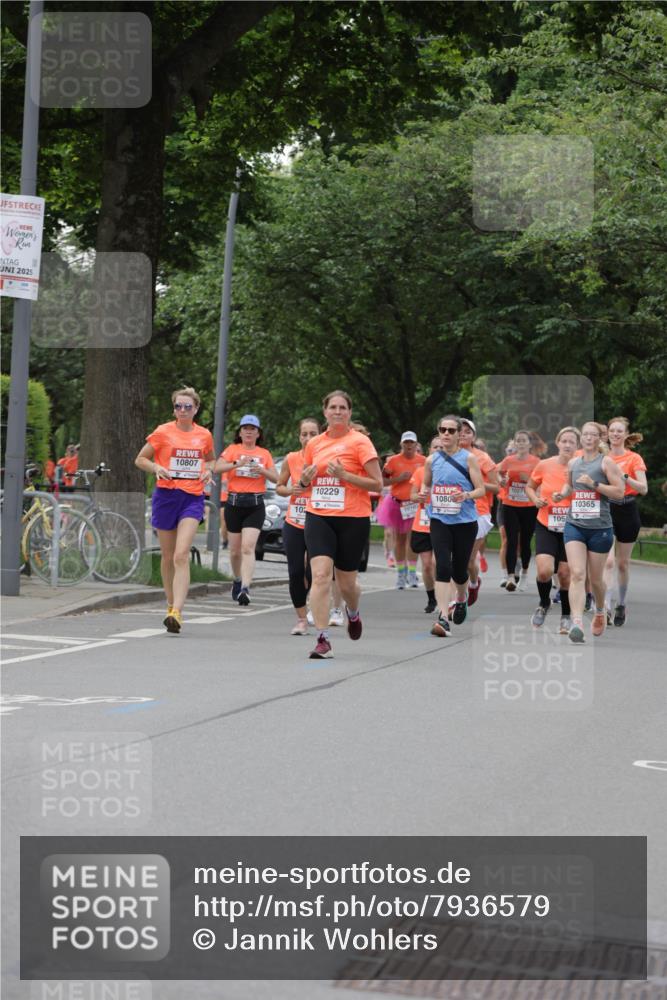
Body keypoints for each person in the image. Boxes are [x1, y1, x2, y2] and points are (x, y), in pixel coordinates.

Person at [299, 390, 382, 659]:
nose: (337, 411)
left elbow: (377, 484)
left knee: (347, 585)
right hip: (319, 514)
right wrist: (305, 479)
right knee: (321, 575)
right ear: (325, 412)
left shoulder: (360, 443)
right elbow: (303, 483)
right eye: (332, 407)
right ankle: (323, 639)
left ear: (349, 413)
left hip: (352, 518)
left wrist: (345, 475)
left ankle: (353, 611)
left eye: (342, 408)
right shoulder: (314, 445)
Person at [135, 387, 215, 634]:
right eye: (178, 406)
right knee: (168, 556)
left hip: (192, 497)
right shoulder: (162, 432)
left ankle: (178, 611)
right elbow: (140, 459)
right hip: (166, 496)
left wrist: (208, 470)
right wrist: (156, 468)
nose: (182, 410)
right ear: (174, 409)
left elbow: (211, 459)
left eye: (187, 407)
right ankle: (170, 605)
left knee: (182, 554)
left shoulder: (203, 435)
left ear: (196, 409)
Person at [417, 415, 485, 637]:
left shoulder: (469, 459)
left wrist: (466, 495)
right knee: (442, 565)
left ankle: (462, 598)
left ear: (458, 434)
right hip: (439, 520)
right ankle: (443, 617)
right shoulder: (431, 460)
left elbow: (481, 490)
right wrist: (423, 493)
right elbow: (425, 485)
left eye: (451, 430)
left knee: (459, 569)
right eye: (442, 429)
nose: (446, 434)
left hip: (465, 522)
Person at [561, 422, 625, 642]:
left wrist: (594, 484)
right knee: (577, 574)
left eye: (593, 435)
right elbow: (570, 487)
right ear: (582, 439)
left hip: (600, 529)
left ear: (600, 439)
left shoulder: (606, 463)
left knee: (596, 580)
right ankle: (577, 623)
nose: (588, 438)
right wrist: (561, 495)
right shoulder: (573, 463)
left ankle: (599, 610)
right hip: (574, 525)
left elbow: (619, 493)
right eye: (585, 434)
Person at [213, 414, 278, 605]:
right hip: (234, 504)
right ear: (240, 432)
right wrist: (236, 464)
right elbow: (217, 468)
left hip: (255, 505)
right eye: (245, 428)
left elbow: (276, 478)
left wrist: (262, 471)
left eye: (253, 429)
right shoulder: (233, 450)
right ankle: (237, 579)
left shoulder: (264, 453)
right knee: (235, 552)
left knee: (248, 547)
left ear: (258, 433)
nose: (249, 432)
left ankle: (245, 589)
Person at [525, 427, 580, 633]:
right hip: (546, 523)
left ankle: (566, 615)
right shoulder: (544, 465)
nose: (567, 445)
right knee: (544, 570)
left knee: (565, 574)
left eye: (571, 442)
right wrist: (535, 499)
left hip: (572, 526)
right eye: (564, 441)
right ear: (557, 443)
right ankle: (543, 603)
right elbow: (529, 487)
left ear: (577, 446)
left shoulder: (581, 467)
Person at [275, 418, 320, 635]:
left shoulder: (326, 458)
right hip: (294, 521)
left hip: (319, 520)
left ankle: (315, 604)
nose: (308, 438)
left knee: (314, 572)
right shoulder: (291, 459)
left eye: (313, 434)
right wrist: (291, 490)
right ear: (299, 436)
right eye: (305, 434)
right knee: (295, 571)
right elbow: (279, 487)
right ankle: (301, 619)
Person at [606, 416, 649, 626]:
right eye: (612, 430)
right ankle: (603, 607)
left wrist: (624, 477)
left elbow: (643, 488)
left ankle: (621, 603)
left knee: (622, 564)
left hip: (628, 508)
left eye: (619, 431)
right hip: (606, 508)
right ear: (607, 434)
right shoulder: (600, 457)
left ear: (625, 434)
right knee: (608, 561)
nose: (615, 434)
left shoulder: (634, 459)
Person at [377, 432, 426, 589]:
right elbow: (381, 480)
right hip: (397, 504)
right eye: (406, 442)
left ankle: (412, 573)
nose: (409, 445)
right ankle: (401, 573)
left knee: (413, 540)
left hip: (415, 504)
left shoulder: (423, 461)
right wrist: (398, 479)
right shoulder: (393, 461)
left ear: (416, 444)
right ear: (401, 444)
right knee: (400, 539)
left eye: (412, 442)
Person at [459, 418, 499, 608]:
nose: (462, 434)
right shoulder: (447, 455)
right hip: (453, 511)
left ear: (473, 436)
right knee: (452, 559)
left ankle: (474, 583)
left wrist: (475, 483)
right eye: (459, 430)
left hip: (478, 511)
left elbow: (496, 487)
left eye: (467, 431)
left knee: (467, 559)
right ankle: (455, 600)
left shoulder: (482, 457)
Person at [496, 431, 540, 592]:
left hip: (529, 506)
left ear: (529, 444)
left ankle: (524, 575)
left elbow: (540, 483)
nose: (520, 443)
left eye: (524, 441)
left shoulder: (536, 462)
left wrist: (527, 480)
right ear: (514, 444)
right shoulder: (508, 460)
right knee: (511, 540)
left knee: (525, 542)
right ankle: (510, 577)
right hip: (510, 504)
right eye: (518, 441)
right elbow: (498, 476)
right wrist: (502, 481)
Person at [409, 435, 442, 614]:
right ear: (429, 451)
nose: (438, 450)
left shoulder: (450, 471)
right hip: (422, 524)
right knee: (427, 564)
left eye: (441, 448)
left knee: (438, 562)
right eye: (434, 447)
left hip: (443, 522)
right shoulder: (420, 471)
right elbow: (412, 495)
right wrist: (419, 497)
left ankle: (445, 595)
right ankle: (432, 598)